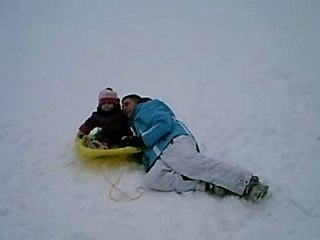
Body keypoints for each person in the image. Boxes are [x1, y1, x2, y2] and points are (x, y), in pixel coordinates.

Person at [120, 94, 269, 201]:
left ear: (137, 101)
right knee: (152, 180)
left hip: (173, 141)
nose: (124, 108)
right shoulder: (135, 124)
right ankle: (205, 185)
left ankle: (246, 182)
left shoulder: (148, 106)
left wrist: (141, 140)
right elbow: (145, 144)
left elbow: (164, 122)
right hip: (161, 155)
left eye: (127, 103)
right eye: (122, 106)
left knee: (193, 165)